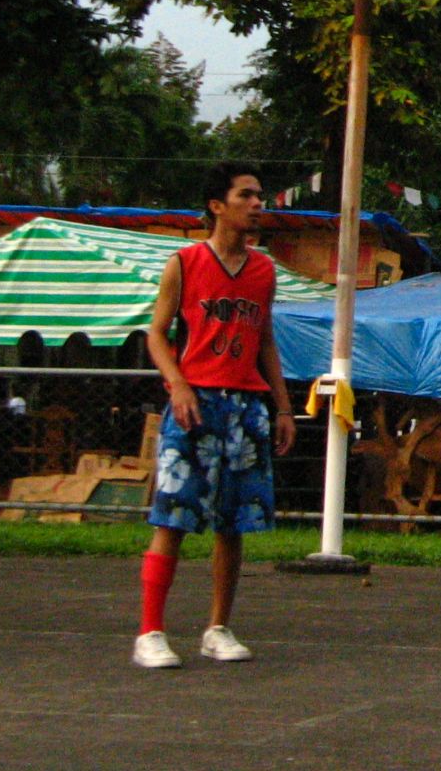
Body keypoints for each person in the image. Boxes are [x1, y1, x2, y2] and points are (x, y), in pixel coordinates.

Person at [132, 162, 295, 669]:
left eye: (260, 196)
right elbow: (156, 333)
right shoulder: (184, 262)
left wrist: (284, 405)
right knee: (173, 514)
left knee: (234, 522)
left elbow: (264, 338)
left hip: (246, 404)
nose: (257, 204)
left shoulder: (264, 270)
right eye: (246, 195)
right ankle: (150, 632)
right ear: (217, 205)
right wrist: (177, 383)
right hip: (195, 400)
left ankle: (217, 627)